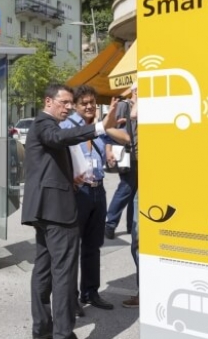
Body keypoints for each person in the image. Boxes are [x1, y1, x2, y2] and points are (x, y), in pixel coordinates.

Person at [22, 84, 118, 339]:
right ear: (48, 101)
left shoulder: (44, 125)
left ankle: (42, 330)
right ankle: (63, 334)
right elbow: (59, 138)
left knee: (43, 270)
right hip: (56, 210)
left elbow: (52, 157)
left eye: (69, 103)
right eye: (64, 102)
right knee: (64, 273)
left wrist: (69, 177)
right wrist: (99, 127)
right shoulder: (45, 124)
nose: (67, 107)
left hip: (45, 210)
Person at [59, 85, 113, 315]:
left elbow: (108, 143)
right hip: (77, 193)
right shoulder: (66, 127)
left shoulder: (98, 128)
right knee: (72, 248)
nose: (90, 106)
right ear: (75, 105)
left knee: (93, 246)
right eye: (85, 103)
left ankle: (90, 292)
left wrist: (109, 151)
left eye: (92, 102)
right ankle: (71, 299)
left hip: (98, 191)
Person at [104, 85, 138, 240]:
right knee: (125, 190)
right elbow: (110, 127)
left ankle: (133, 226)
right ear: (134, 91)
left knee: (135, 194)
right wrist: (108, 150)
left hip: (141, 157)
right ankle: (110, 224)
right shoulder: (124, 105)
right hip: (129, 154)